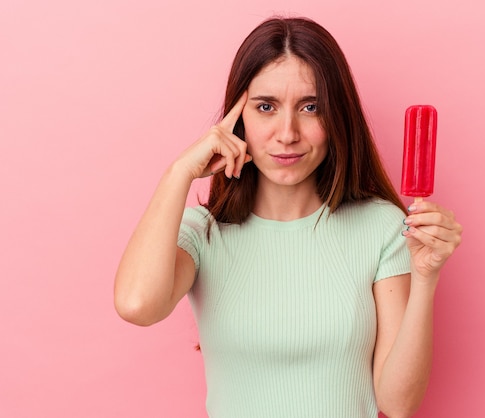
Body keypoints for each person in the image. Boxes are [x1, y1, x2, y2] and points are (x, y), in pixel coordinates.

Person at [114, 16, 462, 418]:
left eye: (310, 107)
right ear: (238, 119)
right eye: (266, 107)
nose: (287, 133)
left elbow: (398, 404)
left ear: (337, 118)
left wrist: (426, 277)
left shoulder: (383, 227)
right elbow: (137, 305)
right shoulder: (204, 234)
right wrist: (179, 172)